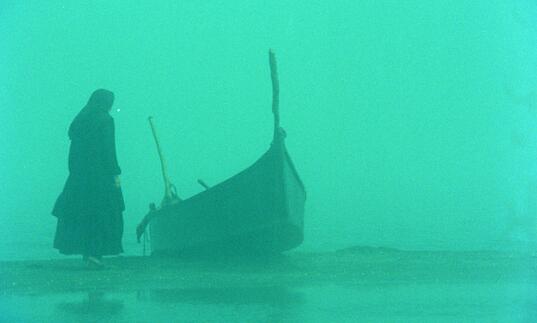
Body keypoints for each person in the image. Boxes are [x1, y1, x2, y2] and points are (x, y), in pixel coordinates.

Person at [52, 89, 124, 268]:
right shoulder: (106, 120)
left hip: (79, 178)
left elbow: (73, 154)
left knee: (83, 214)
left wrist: (75, 173)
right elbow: (109, 150)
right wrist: (115, 172)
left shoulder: (80, 120)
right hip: (101, 177)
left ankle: (89, 253)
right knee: (105, 214)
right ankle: (95, 255)